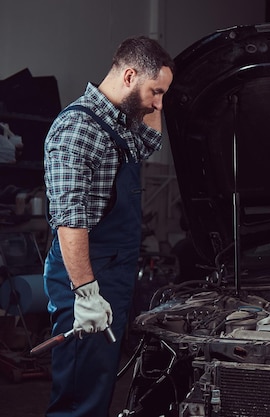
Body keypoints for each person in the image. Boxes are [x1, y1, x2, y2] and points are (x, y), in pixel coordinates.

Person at [42, 35, 174, 417]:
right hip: (86, 274)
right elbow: (69, 222)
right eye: (155, 92)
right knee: (79, 394)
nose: (158, 104)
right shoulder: (78, 129)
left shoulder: (119, 123)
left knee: (98, 384)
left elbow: (150, 140)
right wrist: (85, 294)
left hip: (113, 270)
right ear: (130, 75)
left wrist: (153, 90)